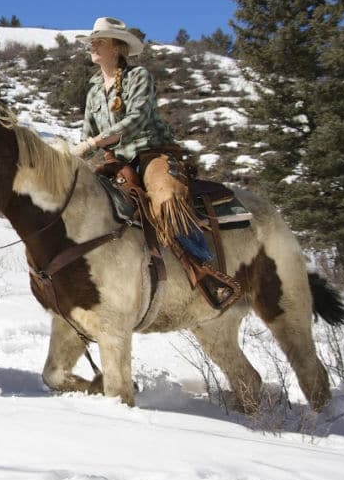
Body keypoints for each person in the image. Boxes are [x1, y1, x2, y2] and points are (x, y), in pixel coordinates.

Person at [69, 17, 237, 307]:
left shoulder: (140, 77)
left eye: (100, 41)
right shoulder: (94, 89)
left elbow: (136, 120)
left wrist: (94, 143)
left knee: (166, 200)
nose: (92, 45)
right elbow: (87, 133)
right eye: (91, 41)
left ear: (117, 48)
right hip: (116, 161)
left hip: (152, 154)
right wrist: (73, 155)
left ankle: (207, 271)